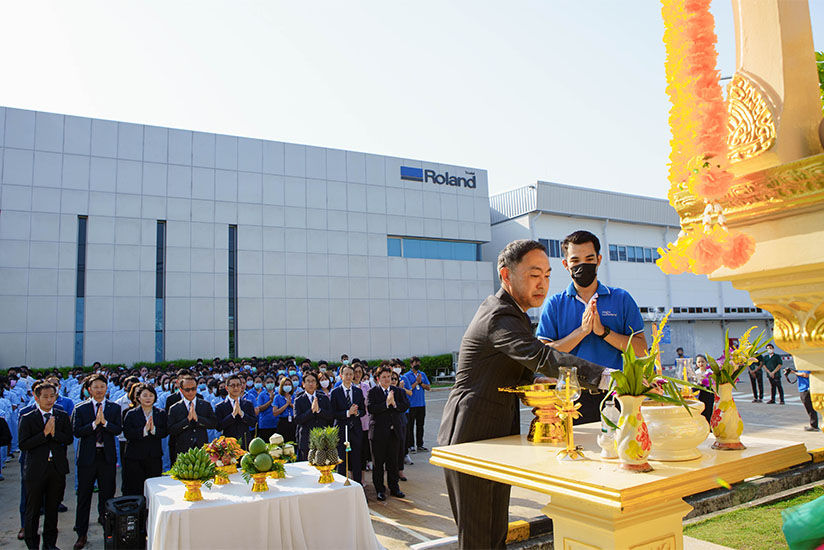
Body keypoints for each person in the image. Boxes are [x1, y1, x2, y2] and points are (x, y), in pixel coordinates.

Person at [438, 239, 611, 550]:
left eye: (546, 275)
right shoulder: (499, 316)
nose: (542, 284)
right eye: (534, 275)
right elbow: (542, 356)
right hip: (469, 433)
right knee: (478, 539)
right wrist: (607, 376)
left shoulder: (516, 315)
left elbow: (529, 370)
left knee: (496, 535)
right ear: (506, 275)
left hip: (495, 433)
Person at [536, 230, 646, 424]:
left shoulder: (621, 299)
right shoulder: (554, 304)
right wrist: (581, 332)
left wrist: (604, 332)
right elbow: (542, 355)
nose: (582, 265)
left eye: (589, 258)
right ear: (566, 264)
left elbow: (641, 349)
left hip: (618, 394)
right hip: (572, 399)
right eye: (575, 260)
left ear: (599, 259)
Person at [19, 382, 73, 550]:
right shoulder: (28, 417)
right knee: (33, 510)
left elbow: (68, 438)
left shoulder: (61, 415)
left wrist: (54, 433)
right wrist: (44, 434)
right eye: (45, 397)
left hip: (56, 469)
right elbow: (23, 444)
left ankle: (50, 544)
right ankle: (32, 544)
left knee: (52, 509)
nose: (49, 400)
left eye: (52, 396)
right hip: (36, 470)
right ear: (36, 397)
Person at [72, 374, 122, 550]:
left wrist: (105, 423)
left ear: (106, 388)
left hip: (106, 457)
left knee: (107, 497)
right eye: (95, 387)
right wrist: (94, 424)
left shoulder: (114, 408)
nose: (99, 389)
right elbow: (77, 431)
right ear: (88, 389)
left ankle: (108, 532)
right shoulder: (81, 408)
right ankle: (81, 533)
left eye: (102, 386)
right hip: (87, 457)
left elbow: (118, 429)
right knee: (84, 497)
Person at [368, 366, 409, 501]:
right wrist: (386, 403)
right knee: (378, 463)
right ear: (378, 378)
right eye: (384, 377)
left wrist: (394, 404)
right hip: (379, 434)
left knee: (393, 463)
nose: (387, 380)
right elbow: (371, 408)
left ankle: (394, 487)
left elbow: (405, 405)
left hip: (394, 433)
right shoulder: (373, 392)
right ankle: (380, 489)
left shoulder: (397, 391)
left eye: (389, 377)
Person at [122, 383, 168, 496]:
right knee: (136, 487)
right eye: (145, 395)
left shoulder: (160, 413)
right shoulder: (131, 414)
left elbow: (165, 431)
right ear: (138, 397)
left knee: (154, 487)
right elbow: (127, 433)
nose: (148, 398)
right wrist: (143, 431)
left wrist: (154, 430)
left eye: (151, 395)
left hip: (154, 456)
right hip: (135, 457)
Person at [330, 363, 365, 485]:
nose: (349, 376)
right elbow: (332, 413)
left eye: (351, 374)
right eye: (346, 374)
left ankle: (358, 485)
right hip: (341, 430)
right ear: (341, 376)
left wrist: (357, 412)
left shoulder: (358, 391)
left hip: (355, 429)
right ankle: (341, 485)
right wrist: (347, 413)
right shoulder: (335, 392)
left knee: (356, 459)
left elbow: (363, 410)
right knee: (341, 459)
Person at [167, 377, 217, 456]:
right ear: (181, 390)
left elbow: (213, 423)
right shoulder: (174, 408)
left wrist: (198, 419)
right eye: (187, 390)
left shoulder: (205, 405)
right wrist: (187, 421)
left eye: (193, 389)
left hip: (202, 448)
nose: (190, 392)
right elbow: (171, 430)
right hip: (183, 450)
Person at [294, 372, 333, 461]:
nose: (311, 384)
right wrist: (311, 411)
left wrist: (319, 410)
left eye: (313, 381)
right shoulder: (299, 400)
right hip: (306, 438)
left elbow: (330, 416)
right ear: (303, 384)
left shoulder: (323, 397)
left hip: (322, 438)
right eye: (308, 381)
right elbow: (297, 419)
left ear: (316, 384)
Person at [215, 375, 257, 449]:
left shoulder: (248, 404)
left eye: (238, 385)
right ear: (227, 388)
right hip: (229, 445)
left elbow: (253, 423)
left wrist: (242, 414)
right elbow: (218, 427)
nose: (236, 388)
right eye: (233, 385)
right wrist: (232, 415)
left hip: (245, 443)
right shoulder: (220, 406)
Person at [402, 356, 430, 452]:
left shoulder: (422, 374)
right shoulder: (406, 376)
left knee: (420, 425)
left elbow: (428, 387)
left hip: (421, 404)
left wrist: (421, 382)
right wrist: (416, 382)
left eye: (418, 363)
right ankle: (411, 445)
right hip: (411, 405)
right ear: (411, 364)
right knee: (410, 426)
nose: (417, 365)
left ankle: (420, 444)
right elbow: (408, 389)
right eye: (415, 363)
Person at [392, 370, 412, 481]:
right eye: (392, 378)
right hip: (388, 424)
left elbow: (405, 405)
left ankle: (400, 471)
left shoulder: (400, 392)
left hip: (400, 422)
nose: (393, 381)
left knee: (400, 448)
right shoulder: (385, 392)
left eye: (395, 379)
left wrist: (395, 404)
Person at [255, 375, 280, 442]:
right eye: (268, 382)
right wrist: (271, 401)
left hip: (276, 423)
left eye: (271, 382)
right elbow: (260, 408)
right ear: (264, 384)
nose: (270, 384)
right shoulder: (262, 395)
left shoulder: (278, 394)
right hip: (265, 424)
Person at [272, 377, 296, 444]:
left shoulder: (294, 396)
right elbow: (275, 413)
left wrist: (291, 404)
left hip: (293, 421)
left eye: (289, 384)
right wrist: (286, 404)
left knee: (293, 443)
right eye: (285, 384)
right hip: (282, 421)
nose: (287, 386)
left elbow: (297, 409)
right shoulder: (277, 397)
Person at [695, 354, 715, 425]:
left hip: (709, 393)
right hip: (700, 394)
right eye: (699, 362)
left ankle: (709, 426)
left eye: (702, 362)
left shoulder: (710, 372)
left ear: (706, 362)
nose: (701, 364)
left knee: (709, 410)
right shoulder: (696, 373)